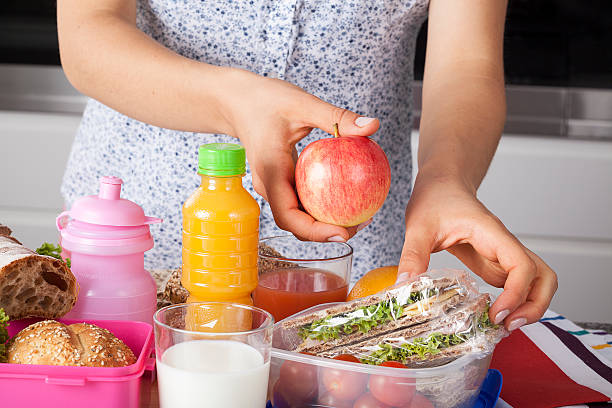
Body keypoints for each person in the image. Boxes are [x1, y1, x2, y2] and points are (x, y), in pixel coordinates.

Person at [57, 0, 557, 332]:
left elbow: (467, 63)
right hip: (137, 249)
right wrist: (236, 104)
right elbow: (87, 31)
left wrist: (447, 179)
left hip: (348, 257)